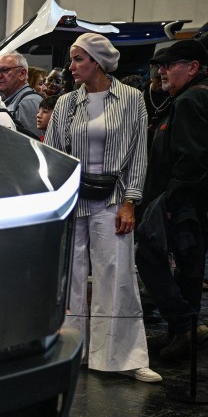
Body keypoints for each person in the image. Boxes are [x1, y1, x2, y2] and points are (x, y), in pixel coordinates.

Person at [44, 32, 159, 382]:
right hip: (74, 199)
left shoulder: (131, 99)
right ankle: (72, 352)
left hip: (113, 198)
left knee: (117, 275)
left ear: (97, 62)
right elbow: (53, 154)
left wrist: (130, 201)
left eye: (78, 59)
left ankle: (124, 357)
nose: (71, 66)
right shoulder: (66, 103)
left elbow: (139, 155)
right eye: (72, 59)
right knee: (71, 279)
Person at [135, 39, 208, 361]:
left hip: (183, 202)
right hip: (186, 201)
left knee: (149, 256)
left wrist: (173, 203)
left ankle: (185, 324)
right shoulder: (186, 98)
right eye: (160, 65)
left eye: (169, 65)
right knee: (187, 269)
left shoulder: (192, 99)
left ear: (193, 67)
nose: (162, 71)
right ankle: (182, 331)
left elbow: (192, 158)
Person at [0, 51, 44, 137]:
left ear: (22, 74)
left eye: (5, 70)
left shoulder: (28, 102)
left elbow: (33, 142)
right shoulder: (10, 99)